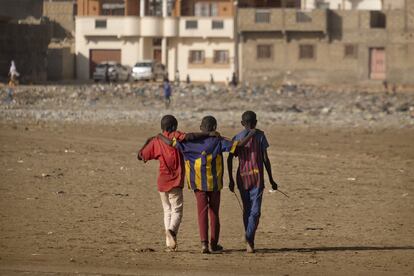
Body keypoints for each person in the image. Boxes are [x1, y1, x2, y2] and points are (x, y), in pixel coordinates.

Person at [158, 116, 256, 254]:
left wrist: (159, 136)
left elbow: (171, 143)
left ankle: (204, 244)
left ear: (200, 128)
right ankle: (214, 244)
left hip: (197, 183)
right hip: (215, 184)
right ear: (215, 127)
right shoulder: (218, 141)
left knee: (201, 213)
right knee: (214, 213)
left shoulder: (189, 143)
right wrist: (251, 134)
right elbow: (238, 145)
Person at [137, 115, 218, 252]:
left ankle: (169, 244)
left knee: (167, 211)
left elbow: (140, 156)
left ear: (162, 127)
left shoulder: (156, 141)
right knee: (177, 211)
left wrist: (147, 141)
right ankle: (172, 231)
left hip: (162, 182)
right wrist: (207, 134)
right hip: (175, 181)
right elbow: (191, 137)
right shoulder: (176, 135)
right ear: (174, 126)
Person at [227, 111, 279, 253]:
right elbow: (231, 158)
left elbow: (264, 158)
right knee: (253, 211)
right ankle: (249, 237)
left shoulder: (256, 136)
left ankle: (249, 238)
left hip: (250, 179)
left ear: (242, 123)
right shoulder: (247, 137)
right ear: (255, 122)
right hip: (249, 179)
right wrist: (231, 180)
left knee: (250, 211)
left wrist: (271, 179)